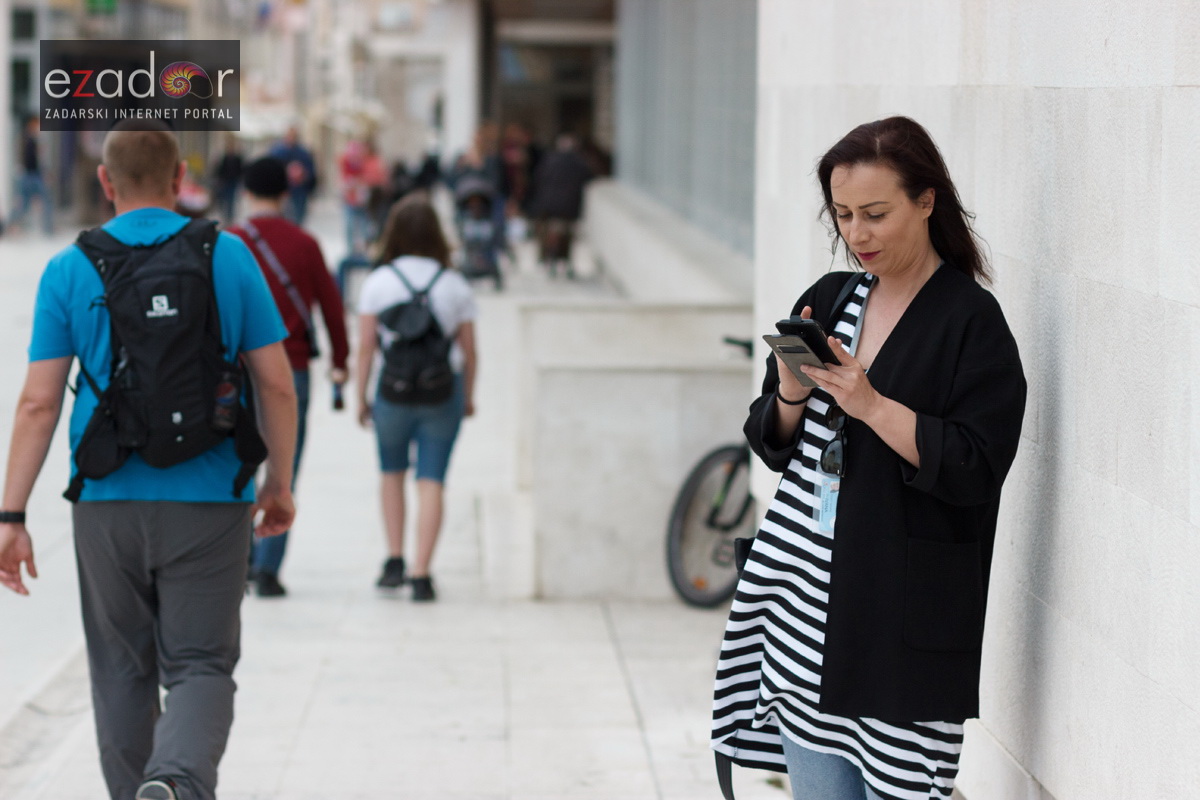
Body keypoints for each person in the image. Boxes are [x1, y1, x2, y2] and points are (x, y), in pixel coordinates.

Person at [710, 117, 1027, 800]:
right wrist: (792, 392)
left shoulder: (971, 322)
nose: (857, 235)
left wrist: (874, 406)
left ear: (926, 202)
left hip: (898, 626)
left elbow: (977, 465)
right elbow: (772, 441)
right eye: (844, 214)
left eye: (876, 214)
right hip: (803, 611)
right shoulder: (832, 298)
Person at [0, 122, 297, 800]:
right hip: (211, 497)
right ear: (180, 177)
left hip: (107, 503)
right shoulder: (229, 256)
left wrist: (10, 513)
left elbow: (38, 405)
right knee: (200, 665)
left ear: (105, 183)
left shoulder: (69, 268)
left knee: (120, 671)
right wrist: (278, 481)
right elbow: (277, 384)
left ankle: (144, 788)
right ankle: (177, 783)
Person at [229, 157, 350, 597]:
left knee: (237, 463)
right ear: (285, 194)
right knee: (285, 468)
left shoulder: (228, 241)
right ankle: (269, 567)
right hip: (292, 366)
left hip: (235, 369)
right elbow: (332, 308)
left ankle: (238, 558)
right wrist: (341, 359)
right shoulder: (305, 243)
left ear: (245, 192)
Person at [355, 195, 477, 601]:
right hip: (443, 391)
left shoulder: (378, 282)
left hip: (393, 391)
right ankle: (422, 573)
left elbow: (367, 347)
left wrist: (360, 396)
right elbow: (470, 351)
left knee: (391, 474)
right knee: (432, 481)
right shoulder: (454, 284)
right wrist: (469, 397)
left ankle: (394, 560)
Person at [529, 133, 592, 278]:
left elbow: (537, 179)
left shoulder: (550, 160)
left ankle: (551, 260)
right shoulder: (579, 162)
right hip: (568, 207)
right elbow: (589, 176)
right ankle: (564, 262)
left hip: (550, 207)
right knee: (567, 236)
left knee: (551, 234)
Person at [11, 116, 54, 235]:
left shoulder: (32, 139)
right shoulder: (27, 140)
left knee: (27, 204)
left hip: (32, 175)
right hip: (31, 175)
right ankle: (47, 228)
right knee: (37, 202)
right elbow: (31, 160)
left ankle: (48, 228)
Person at [269, 125, 318, 225]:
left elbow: (311, 173)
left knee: (298, 220)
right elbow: (271, 170)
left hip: (299, 191)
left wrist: (303, 177)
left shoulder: (303, 153)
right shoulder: (277, 152)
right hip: (283, 192)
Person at [210, 134, 244, 223]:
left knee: (231, 199)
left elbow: (241, 170)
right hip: (225, 181)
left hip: (233, 181)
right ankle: (225, 215)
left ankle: (229, 216)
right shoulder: (224, 157)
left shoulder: (238, 158)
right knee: (224, 199)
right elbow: (219, 169)